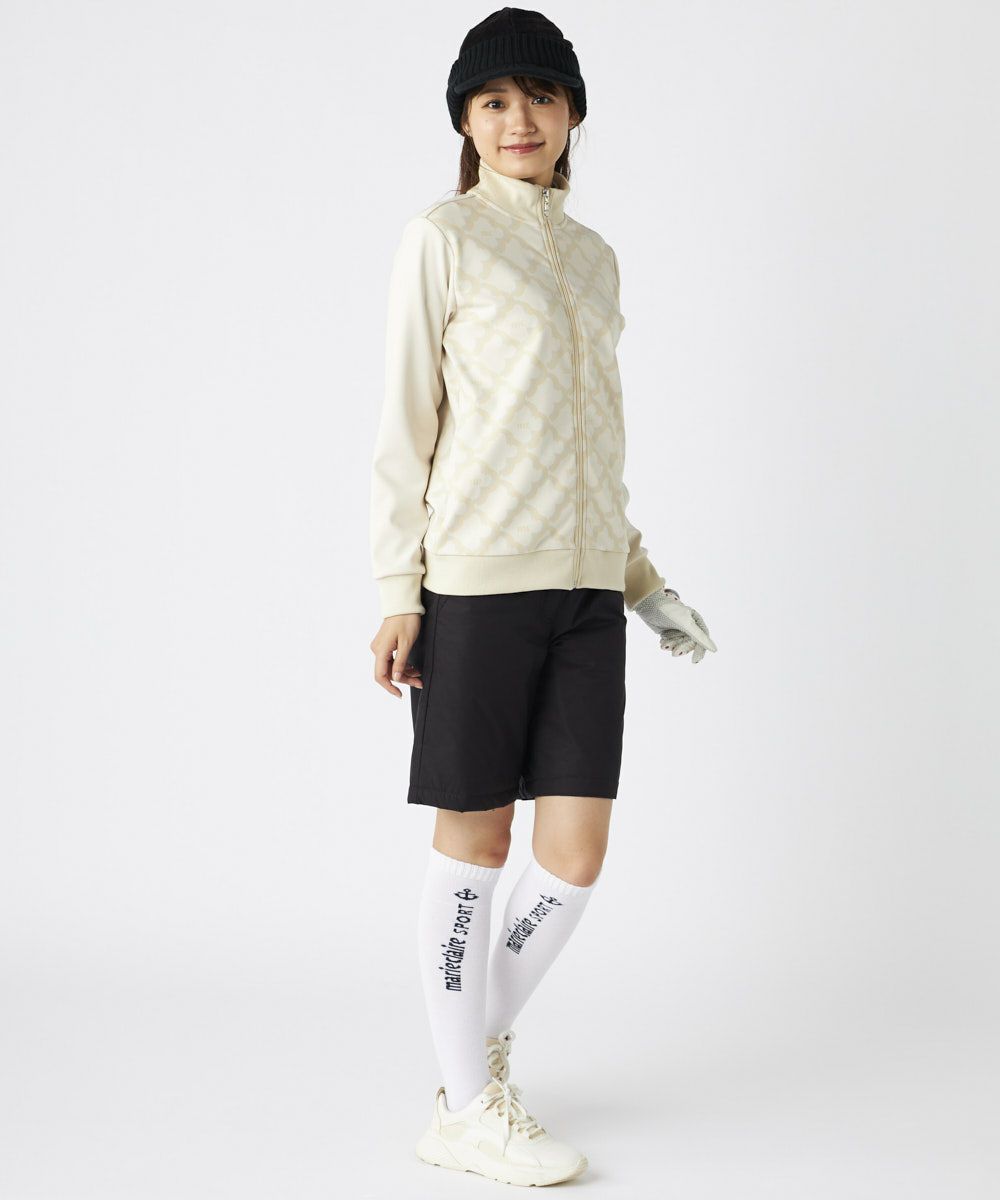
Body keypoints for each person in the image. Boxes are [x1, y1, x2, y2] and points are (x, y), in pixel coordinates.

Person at [368, 7, 718, 1187]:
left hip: (583, 595)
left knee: (573, 856)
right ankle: (469, 1102)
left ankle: (464, 1066)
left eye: (539, 97)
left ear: (571, 113)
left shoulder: (594, 257)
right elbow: (404, 426)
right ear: (467, 124)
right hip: (473, 587)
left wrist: (644, 584)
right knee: (478, 840)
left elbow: (590, 444)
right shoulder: (443, 238)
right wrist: (397, 589)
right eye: (493, 102)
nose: (518, 119)